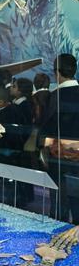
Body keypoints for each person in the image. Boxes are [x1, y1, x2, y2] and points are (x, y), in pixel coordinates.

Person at [41, 54, 79, 222]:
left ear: (57, 73)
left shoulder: (54, 97)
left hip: (59, 155)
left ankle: (59, 231)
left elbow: (45, 127)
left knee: (59, 196)